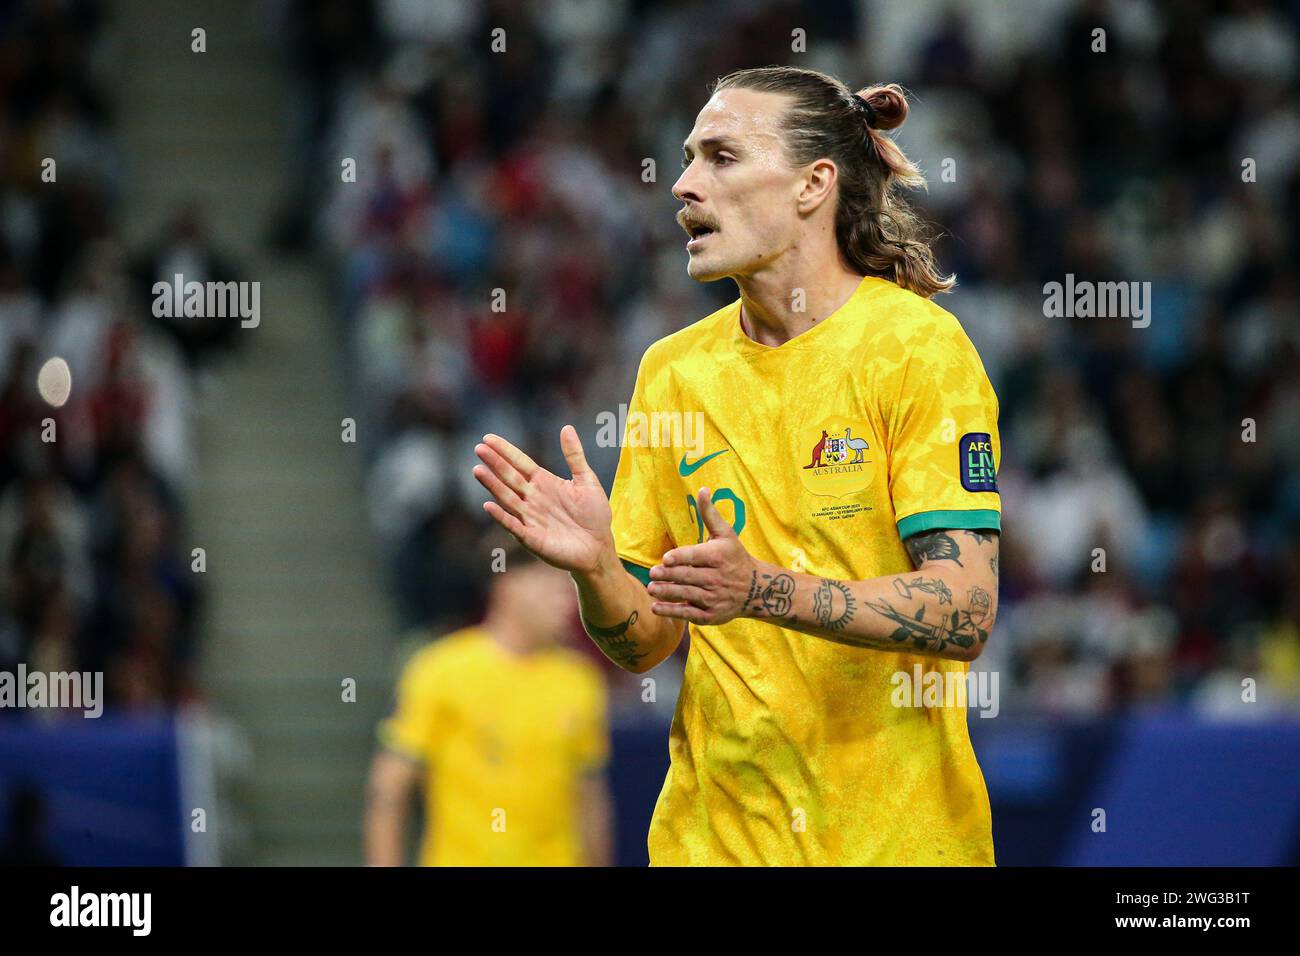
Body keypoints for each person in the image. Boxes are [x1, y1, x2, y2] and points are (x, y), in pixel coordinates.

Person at [473, 66, 1002, 865]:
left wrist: (761, 589)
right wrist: (595, 570)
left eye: (720, 157)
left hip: (896, 841)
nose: (682, 184)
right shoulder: (672, 372)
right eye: (687, 158)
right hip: (712, 840)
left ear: (812, 185)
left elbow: (964, 612)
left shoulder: (916, 350)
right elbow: (646, 639)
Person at [363, 545, 613, 866]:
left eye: (570, 588)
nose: (567, 601)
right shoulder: (439, 669)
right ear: (508, 585)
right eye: (553, 584)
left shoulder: (581, 681)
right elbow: (389, 790)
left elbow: (590, 797)